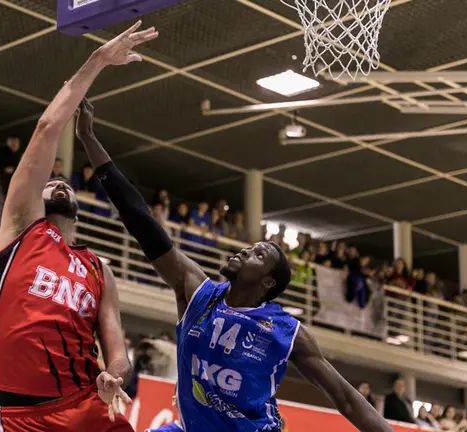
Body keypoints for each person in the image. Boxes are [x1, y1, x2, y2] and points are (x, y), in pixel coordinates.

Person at [75, 98, 392, 432]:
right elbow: (141, 221)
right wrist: (89, 140)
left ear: (268, 282)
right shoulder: (198, 292)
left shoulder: (286, 332)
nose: (245, 251)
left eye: (258, 255)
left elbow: (344, 397)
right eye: (251, 246)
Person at [0, 21, 158, 432]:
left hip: (86, 404)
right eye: (50, 182)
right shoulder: (22, 231)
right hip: (23, 415)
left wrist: (114, 373)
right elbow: (46, 129)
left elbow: (117, 351)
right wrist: (97, 61)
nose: (58, 181)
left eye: (65, 183)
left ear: (77, 209)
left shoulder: (99, 268)